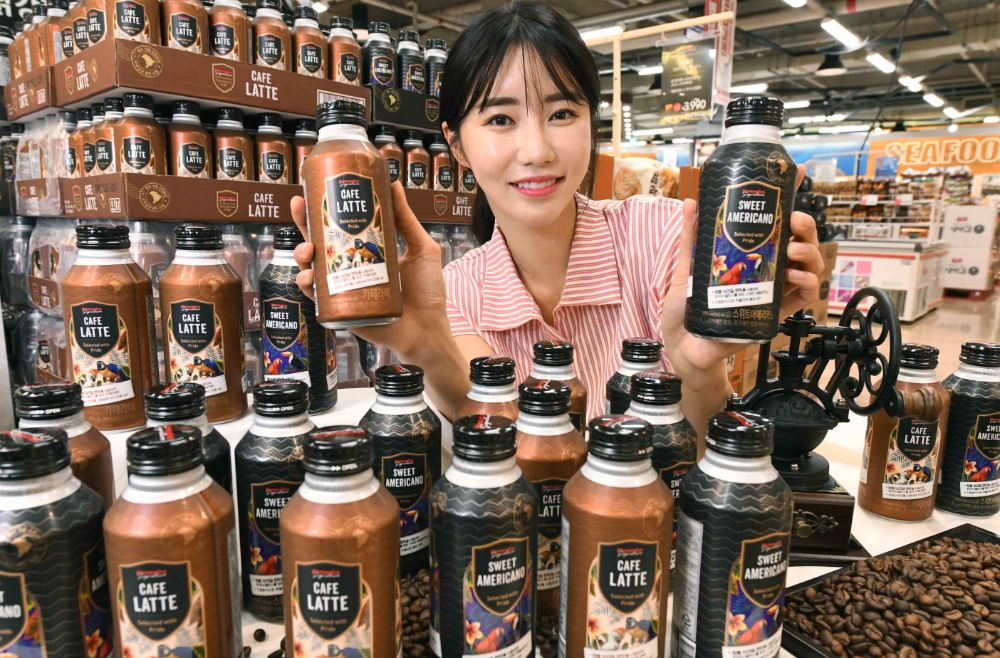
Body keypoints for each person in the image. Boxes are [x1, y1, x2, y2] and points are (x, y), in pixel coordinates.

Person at [289, 0, 822, 440]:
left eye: (562, 113)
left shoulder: (666, 238)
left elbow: (709, 456)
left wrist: (695, 366)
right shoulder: (454, 292)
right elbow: (514, 463)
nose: (537, 150)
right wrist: (426, 343)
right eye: (500, 119)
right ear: (457, 145)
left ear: (592, 122)